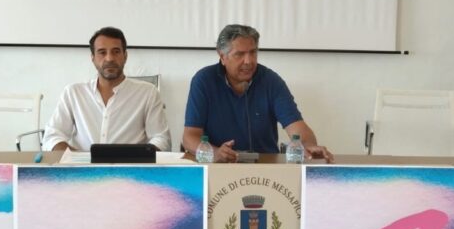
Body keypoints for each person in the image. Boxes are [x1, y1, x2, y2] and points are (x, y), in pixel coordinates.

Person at [183, 24, 333, 163]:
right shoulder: (204, 81)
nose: (248, 61)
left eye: (253, 53)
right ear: (222, 56)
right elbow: (190, 137)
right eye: (240, 54)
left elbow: (297, 127)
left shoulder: (271, 81)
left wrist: (308, 146)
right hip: (219, 166)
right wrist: (215, 153)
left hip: (265, 167)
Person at [43, 27, 171, 152]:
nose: (109, 58)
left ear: (125, 56)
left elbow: (161, 139)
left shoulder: (147, 93)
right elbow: (52, 137)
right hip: (81, 165)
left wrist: (136, 157)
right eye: (102, 52)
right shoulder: (74, 93)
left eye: (116, 51)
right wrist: (78, 158)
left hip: (131, 165)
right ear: (92, 58)